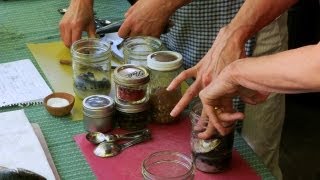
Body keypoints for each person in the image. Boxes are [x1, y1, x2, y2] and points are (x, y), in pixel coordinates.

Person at [58, 0, 294, 178]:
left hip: (250, 17)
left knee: (249, 161)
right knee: (187, 132)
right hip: (178, 25)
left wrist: (234, 34)